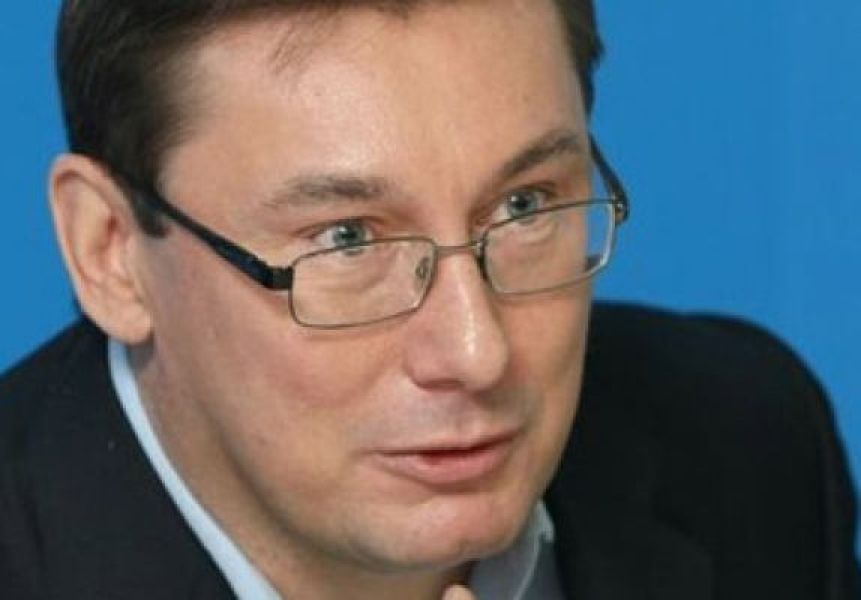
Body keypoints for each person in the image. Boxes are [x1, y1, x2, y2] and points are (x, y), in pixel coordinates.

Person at [0, 0, 857, 598]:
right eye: (348, 239)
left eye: (523, 206)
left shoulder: (741, 441)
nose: (476, 353)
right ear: (110, 252)